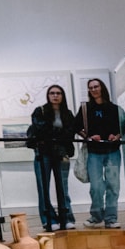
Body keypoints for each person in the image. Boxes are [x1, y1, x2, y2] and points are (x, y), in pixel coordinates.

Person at [78, 78, 125, 228]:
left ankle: (111, 218)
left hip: (112, 151)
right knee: (96, 186)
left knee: (113, 186)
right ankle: (96, 216)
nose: (94, 89)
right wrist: (89, 137)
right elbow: (76, 127)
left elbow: (124, 128)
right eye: (91, 88)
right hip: (94, 152)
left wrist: (117, 136)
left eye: (96, 86)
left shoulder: (115, 109)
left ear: (102, 88)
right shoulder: (85, 108)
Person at [26, 84, 77, 231]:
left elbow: (70, 133)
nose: (55, 96)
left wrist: (54, 134)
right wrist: (58, 134)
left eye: (58, 93)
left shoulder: (67, 113)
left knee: (63, 188)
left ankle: (66, 218)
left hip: (61, 153)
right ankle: (49, 219)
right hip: (43, 153)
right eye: (52, 93)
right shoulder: (40, 111)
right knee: (43, 188)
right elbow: (42, 130)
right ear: (48, 95)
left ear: (62, 96)